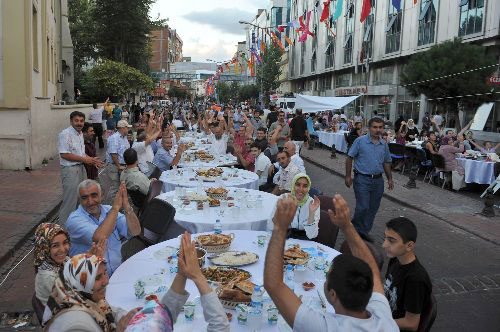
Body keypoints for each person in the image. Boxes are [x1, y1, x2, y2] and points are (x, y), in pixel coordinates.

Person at [263, 195, 399, 331]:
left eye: (326, 277)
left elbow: (274, 285)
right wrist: (347, 226)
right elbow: (372, 269)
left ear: (333, 294)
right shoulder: (384, 317)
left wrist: (280, 228)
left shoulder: (324, 327)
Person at [66, 180, 141, 275]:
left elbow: (135, 231)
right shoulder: (74, 219)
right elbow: (100, 237)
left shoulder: (109, 210)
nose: (90, 202)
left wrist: (126, 206)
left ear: (101, 196)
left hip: (117, 272)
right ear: (79, 200)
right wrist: (115, 208)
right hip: (91, 279)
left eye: (94, 195)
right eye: (84, 198)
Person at [346, 117, 393, 240]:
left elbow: (387, 162)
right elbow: (349, 157)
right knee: (363, 207)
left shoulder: (384, 144)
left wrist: (390, 178)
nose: (378, 130)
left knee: (373, 208)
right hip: (362, 179)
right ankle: (355, 229)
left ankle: (364, 232)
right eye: (375, 127)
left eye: (380, 127)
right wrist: (347, 176)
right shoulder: (360, 141)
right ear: (369, 128)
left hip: (378, 181)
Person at [383, 217, 432, 332]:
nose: (384, 245)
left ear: (409, 245)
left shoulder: (415, 279)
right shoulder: (395, 260)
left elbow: (411, 323)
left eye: (391, 240)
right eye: (385, 238)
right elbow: (387, 288)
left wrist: (377, 323)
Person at [58, 111, 103, 225]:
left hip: (81, 169)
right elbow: (64, 154)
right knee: (69, 203)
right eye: (76, 120)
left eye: (81, 121)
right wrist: (85, 160)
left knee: (80, 200)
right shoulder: (65, 134)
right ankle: (63, 231)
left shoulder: (80, 134)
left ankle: (76, 226)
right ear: (71, 121)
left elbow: (82, 154)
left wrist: (92, 160)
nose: (79, 123)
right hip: (70, 171)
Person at [34, 223, 71, 306]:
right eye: (55, 246)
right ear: (44, 248)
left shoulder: (63, 261)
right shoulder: (49, 277)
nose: (62, 249)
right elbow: (71, 301)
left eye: (65, 243)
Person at [276, 174, 320, 239]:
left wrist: (311, 214)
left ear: (308, 188)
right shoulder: (283, 198)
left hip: (304, 240)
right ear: (293, 185)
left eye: (305, 186)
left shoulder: (313, 203)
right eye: (298, 185)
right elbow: (270, 225)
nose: (301, 189)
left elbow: (312, 235)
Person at [106, 120, 132, 202]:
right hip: (115, 166)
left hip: (122, 165)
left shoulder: (124, 137)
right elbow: (114, 154)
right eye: (127, 128)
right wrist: (118, 166)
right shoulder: (114, 138)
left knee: (121, 186)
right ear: (122, 128)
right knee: (115, 187)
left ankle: (119, 205)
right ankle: (111, 207)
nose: (128, 129)